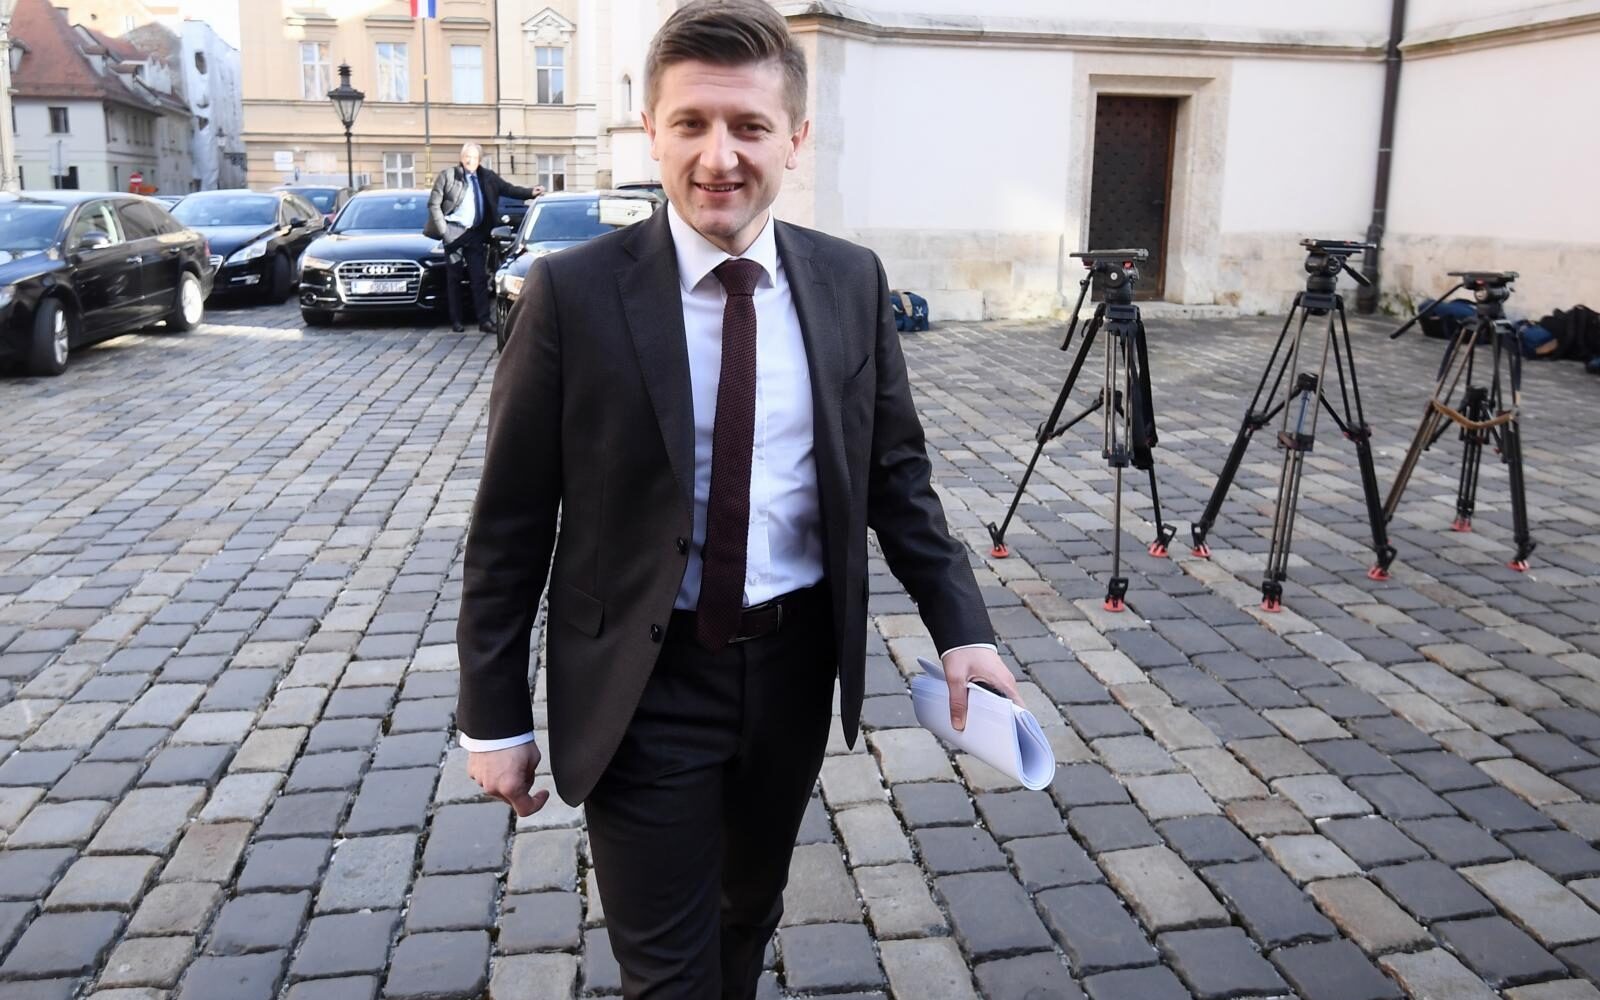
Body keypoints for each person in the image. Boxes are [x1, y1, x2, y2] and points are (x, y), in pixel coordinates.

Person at [454, 2, 1022, 996]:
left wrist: (960, 625)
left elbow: (896, 476)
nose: (719, 157)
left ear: (794, 138)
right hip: (643, 679)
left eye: (750, 126)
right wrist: (493, 715)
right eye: (692, 123)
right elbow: (509, 523)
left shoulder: (849, 282)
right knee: (668, 972)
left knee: (745, 918)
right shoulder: (572, 295)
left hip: (795, 670)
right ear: (652, 130)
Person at [425, 142, 542, 333]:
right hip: (453, 232)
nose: (470, 161)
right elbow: (434, 204)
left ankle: (484, 321)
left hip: (475, 233)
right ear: (461, 158)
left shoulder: (487, 177)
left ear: (479, 159)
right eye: (467, 157)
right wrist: (444, 231)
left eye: (474, 157)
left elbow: (508, 189)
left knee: (479, 278)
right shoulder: (448, 176)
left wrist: (530, 192)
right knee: (454, 278)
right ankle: (456, 321)